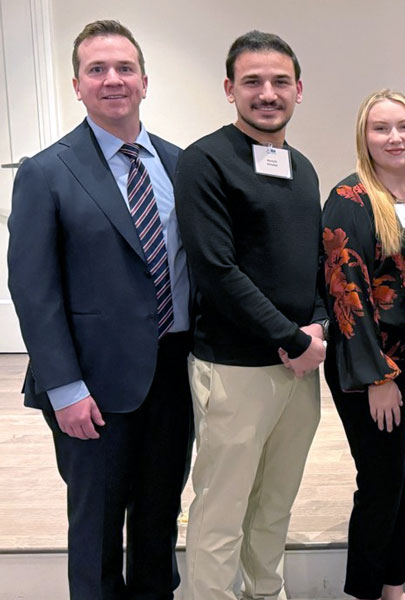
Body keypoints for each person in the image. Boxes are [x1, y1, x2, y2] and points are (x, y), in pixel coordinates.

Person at [7, 19, 192, 599]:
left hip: (173, 370)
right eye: (97, 69)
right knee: (97, 526)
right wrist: (64, 388)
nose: (113, 80)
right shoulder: (46, 172)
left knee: (160, 515)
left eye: (124, 68)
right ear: (77, 84)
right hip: (93, 383)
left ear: (144, 81)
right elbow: (32, 290)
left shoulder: (179, 164)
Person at [174, 31, 327, 600]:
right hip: (235, 370)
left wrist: (315, 328)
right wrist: (291, 336)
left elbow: (313, 262)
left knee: (275, 504)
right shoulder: (204, 160)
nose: (268, 93)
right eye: (253, 82)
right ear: (229, 89)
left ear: (299, 90)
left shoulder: (302, 168)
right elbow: (217, 269)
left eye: (280, 81)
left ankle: (267, 593)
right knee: (220, 513)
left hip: (298, 370)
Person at [321, 90, 405, 600]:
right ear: (364, 137)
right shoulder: (349, 199)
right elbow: (344, 289)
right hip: (373, 363)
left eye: (404, 127)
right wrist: (377, 376)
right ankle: (364, 591)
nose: (394, 138)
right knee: (381, 481)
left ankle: (394, 584)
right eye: (381, 128)